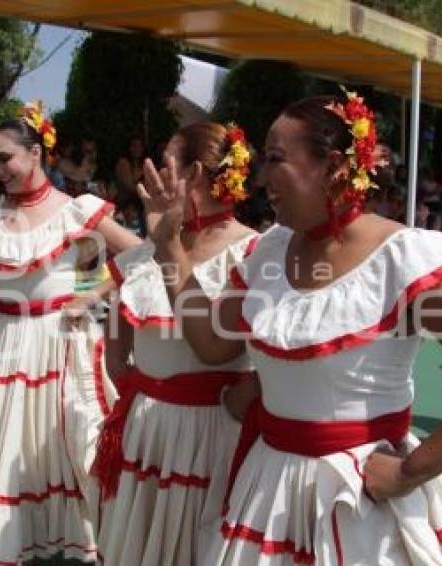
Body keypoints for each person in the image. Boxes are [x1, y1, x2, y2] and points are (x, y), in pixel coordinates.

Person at [143, 93, 442, 564]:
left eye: (275, 160)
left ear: (332, 165)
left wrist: (412, 470)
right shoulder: (268, 252)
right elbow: (210, 344)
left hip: (359, 505)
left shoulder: (402, 258)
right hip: (268, 489)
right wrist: (170, 250)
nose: (261, 179)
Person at [0, 101, 140, 565]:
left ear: (36, 153)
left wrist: (92, 294)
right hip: (4, 341)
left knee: (72, 445)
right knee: (4, 449)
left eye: (5, 158)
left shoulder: (75, 209)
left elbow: (141, 253)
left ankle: (75, 539)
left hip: (61, 342)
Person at [94, 122, 260, 565]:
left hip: (213, 432)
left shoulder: (252, 254)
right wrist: (147, 403)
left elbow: (243, 351)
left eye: (165, 164)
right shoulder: (145, 255)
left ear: (198, 174)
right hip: (149, 430)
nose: (150, 177)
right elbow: (115, 348)